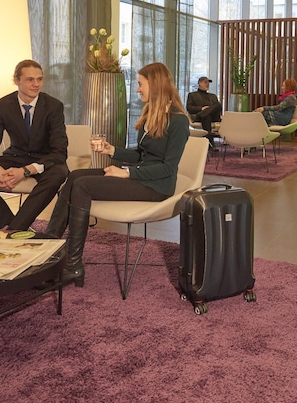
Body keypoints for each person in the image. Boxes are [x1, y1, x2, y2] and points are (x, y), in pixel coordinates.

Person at [44, 62, 190, 287]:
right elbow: (142, 154)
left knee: (83, 186)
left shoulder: (179, 121)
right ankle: (49, 245)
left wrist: (126, 173)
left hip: (157, 187)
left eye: (140, 84)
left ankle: (73, 265)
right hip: (141, 177)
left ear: (156, 85)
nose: (137, 89)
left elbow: (168, 168)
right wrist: (112, 150)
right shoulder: (150, 114)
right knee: (75, 176)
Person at [0, 59, 69, 231]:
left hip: (45, 160)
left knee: (59, 173)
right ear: (17, 80)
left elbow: (59, 152)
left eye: (39, 79)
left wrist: (25, 171)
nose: (36, 84)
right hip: (15, 157)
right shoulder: (4, 105)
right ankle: (8, 223)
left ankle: (15, 229)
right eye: (30, 79)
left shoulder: (54, 106)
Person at [186, 75, 222, 150]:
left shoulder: (213, 96)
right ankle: (210, 143)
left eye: (208, 83)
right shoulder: (192, 95)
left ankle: (201, 115)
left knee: (218, 105)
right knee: (207, 117)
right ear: (200, 83)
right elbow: (189, 108)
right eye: (205, 82)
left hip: (212, 117)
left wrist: (206, 110)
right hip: (205, 118)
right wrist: (201, 108)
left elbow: (218, 109)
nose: (207, 84)